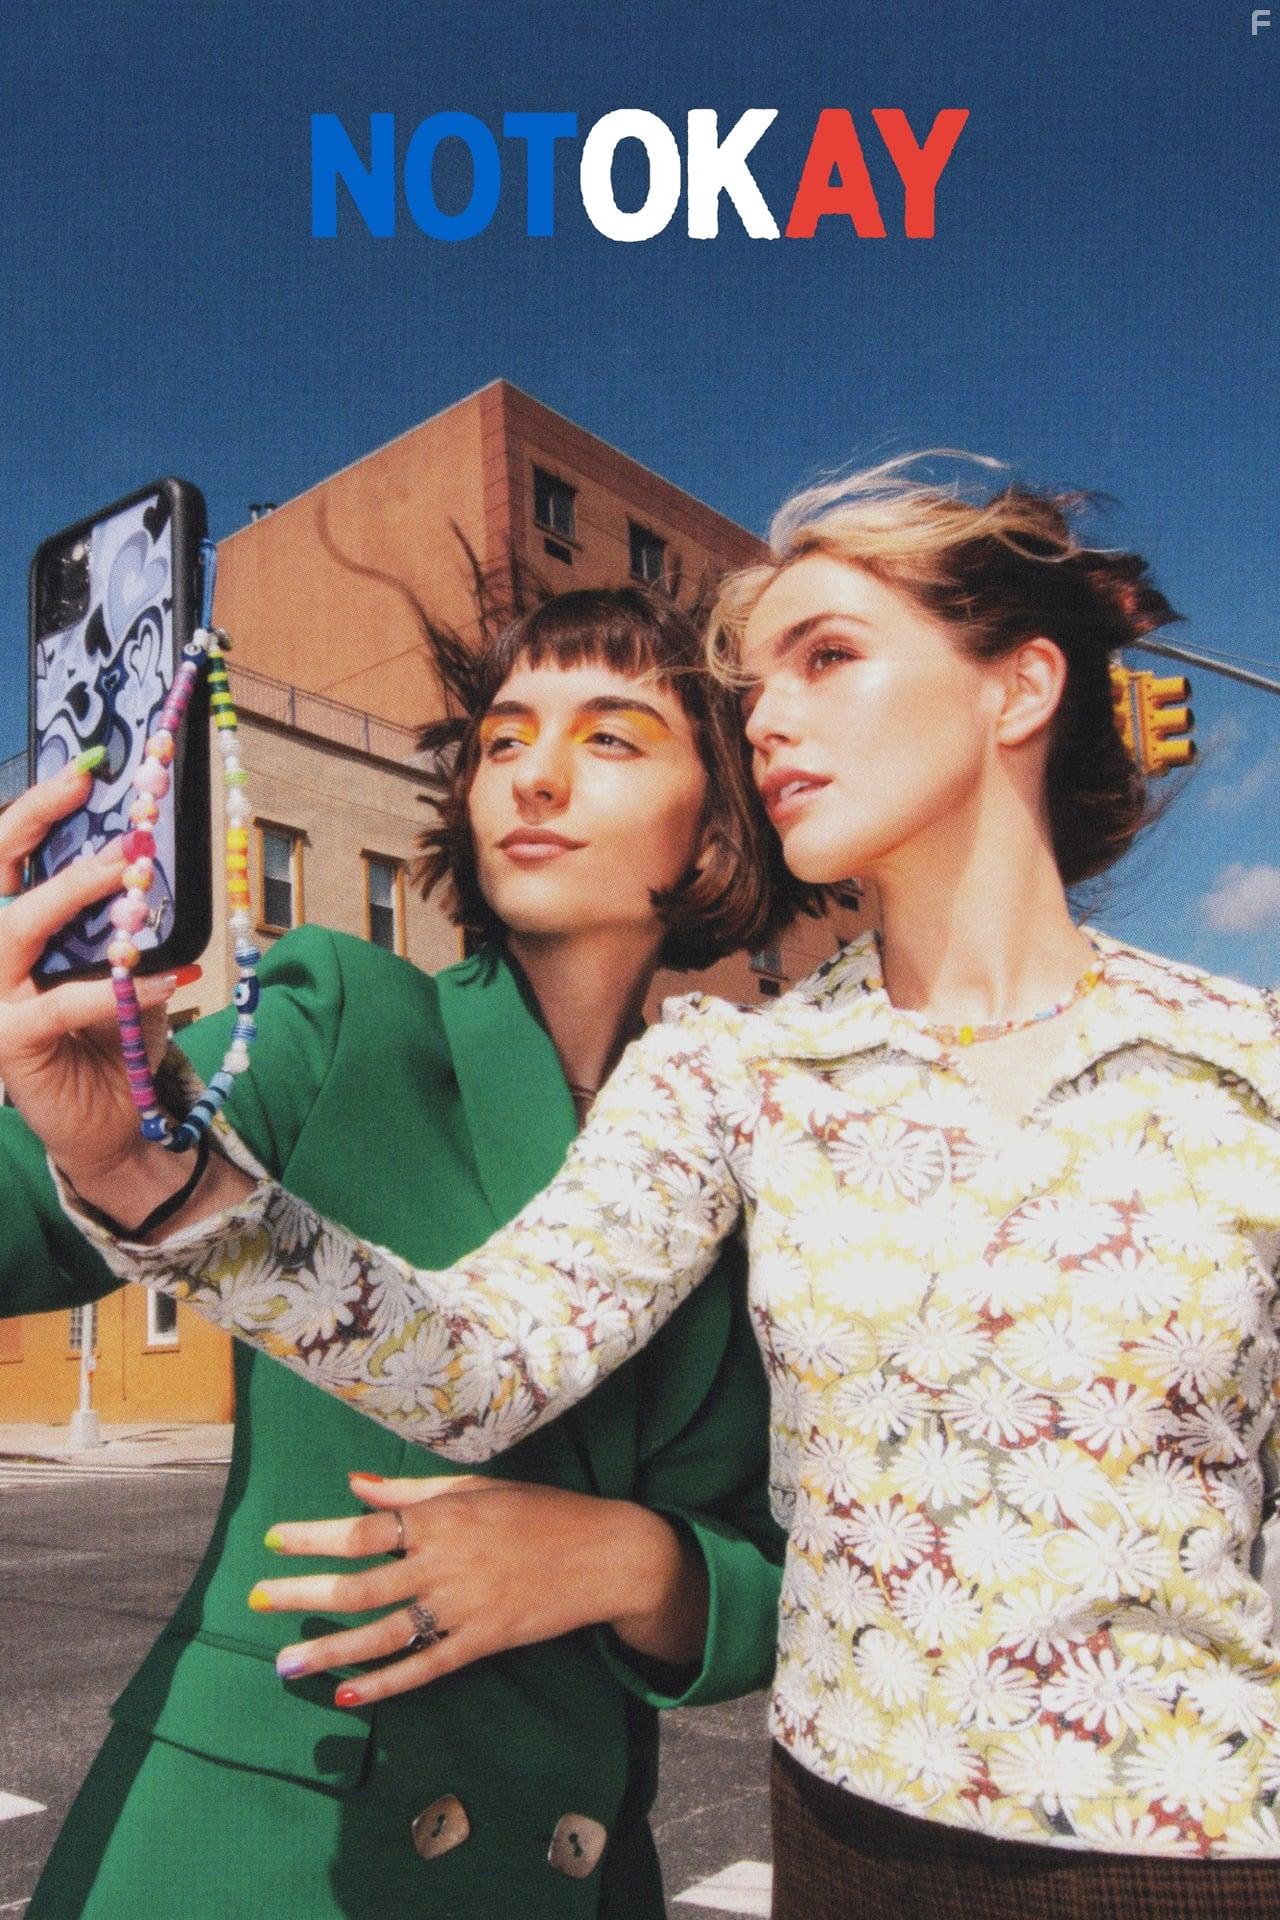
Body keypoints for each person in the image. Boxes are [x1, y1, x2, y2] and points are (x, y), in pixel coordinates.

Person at [11, 460, 1280, 1919]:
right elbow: (474, 1363)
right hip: (777, 1844)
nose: (773, 716)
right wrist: (131, 1162)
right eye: (757, 686)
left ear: (1020, 687)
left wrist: (636, 1565)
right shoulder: (720, 1072)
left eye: (827, 658)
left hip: (1202, 1845)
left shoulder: (1243, 1058)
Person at [0, 586, 796, 1920]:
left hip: (577, 1872)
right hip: (262, 1852)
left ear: (717, 822)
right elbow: (26, 1211)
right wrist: (68, 1111)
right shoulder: (336, 1018)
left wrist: (628, 1561)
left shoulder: (757, 1139)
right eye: (502, 740)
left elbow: (810, 1572)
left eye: (610, 737)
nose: (534, 774)